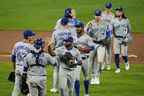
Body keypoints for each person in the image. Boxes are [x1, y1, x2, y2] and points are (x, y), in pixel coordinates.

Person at [49, 17, 77, 93]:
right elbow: (74, 43)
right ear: (67, 23)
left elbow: (52, 44)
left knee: (56, 70)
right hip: (68, 53)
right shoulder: (69, 32)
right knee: (67, 69)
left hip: (58, 51)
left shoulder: (55, 32)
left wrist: (53, 51)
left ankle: (54, 88)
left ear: (60, 23)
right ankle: (69, 87)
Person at [85, 9, 110, 85]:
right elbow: (86, 33)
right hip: (92, 44)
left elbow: (109, 33)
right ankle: (93, 77)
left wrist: (107, 40)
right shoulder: (90, 23)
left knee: (100, 61)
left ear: (101, 16)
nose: (97, 17)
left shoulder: (106, 24)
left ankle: (97, 77)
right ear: (94, 15)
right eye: (96, 15)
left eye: (99, 15)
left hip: (101, 44)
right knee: (91, 61)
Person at [74, 21, 96, 96]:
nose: (77, 28)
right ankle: (77, 94)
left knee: (86, 76)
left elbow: (92, 47)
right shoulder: (73, 37)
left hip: (85, 59)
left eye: (78, 27)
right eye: (76, 27)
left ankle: (86, 93)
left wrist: (84, 49)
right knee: (76, 78)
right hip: (77, 60)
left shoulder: (87, 37)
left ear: (82, 28)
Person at [11, 30, 36, 96]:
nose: (33, 36)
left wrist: (14, 69)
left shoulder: (17, 44)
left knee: (16, 88)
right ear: (28, 37)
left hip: (17, 68)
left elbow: (13, 58)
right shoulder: (31, 46)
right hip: (25, 70)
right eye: (32, 35)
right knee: (30, 89)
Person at [112, 7, 132, 73]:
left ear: (122, 12)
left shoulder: (126, 20)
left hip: (124, 38)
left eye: (119, 11)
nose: (117, 12)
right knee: (116, 54)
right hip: (116, 38)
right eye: (116, 11)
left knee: (123, 54)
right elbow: (111, 29)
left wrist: (128, 37)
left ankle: (126, 62)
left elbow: (129, 30)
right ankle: (117, 68)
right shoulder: (113, 20)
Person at [102, 2, 114, 70]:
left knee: (109, 50)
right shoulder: (102, 14)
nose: (108, 9)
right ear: (105, 7)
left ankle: (108, 64)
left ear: (111, 8)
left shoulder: (112, 15)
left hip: (109, 34)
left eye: (109, 8)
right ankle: (103, 63)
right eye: (107, 8)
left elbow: (113, 25)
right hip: (102, 35)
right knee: (103, 50)